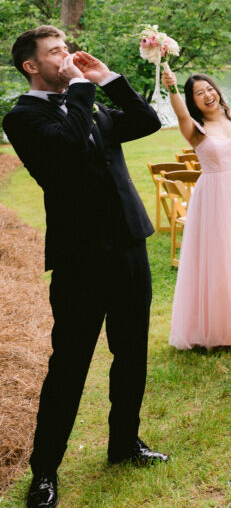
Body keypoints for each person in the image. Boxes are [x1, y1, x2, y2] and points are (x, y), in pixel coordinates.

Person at [4, 26, 167, 508]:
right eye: (55, 52)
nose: (67, 57)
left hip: (129, 247)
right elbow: (70, 147)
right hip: (80, 259)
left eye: (66, 50)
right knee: (70, 364)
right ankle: (45, 472)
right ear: (31, 66)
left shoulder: (89, 101)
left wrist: (109, 79)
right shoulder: (23, 117)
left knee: (132, 352)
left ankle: (124, 444)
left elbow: (147, 122)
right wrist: (81, 88)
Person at [160, 69, 231, 350]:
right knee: (220, 257)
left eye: (209, 89)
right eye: (199, 93)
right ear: (193, 101)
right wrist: (171, 87)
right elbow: (181, 113)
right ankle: (220, 326)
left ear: (217, 90)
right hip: (214, 198)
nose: (207, 95)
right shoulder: (194, 129)